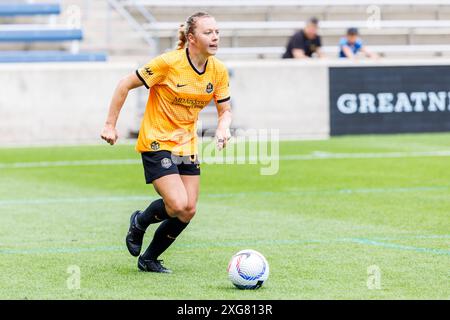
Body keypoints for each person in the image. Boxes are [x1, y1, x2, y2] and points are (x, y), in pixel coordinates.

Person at [100, 12, 232, 273]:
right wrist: (110, 124)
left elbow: (224, 110)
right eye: (208, 32)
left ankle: (148, 259)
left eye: (217, 31)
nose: (215, 36)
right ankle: (140, 220)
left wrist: (223, 127)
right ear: (192, 38)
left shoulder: (218, 70)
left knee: (188, 210)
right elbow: (124, 84)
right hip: (156, 141)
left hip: (186, 145)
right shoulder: (168, 63)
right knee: (176, 204)